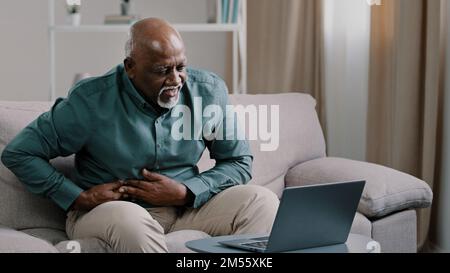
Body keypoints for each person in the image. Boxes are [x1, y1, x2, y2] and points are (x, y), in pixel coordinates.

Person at [1, 18, 279, 253]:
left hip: (186, 209)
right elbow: (19, 152)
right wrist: (78, 197)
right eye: (162, 71)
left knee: (261, 202)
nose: (175, 80)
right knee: (130, 219)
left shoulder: (207, 91)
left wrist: (186, 191)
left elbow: (239, 162)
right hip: (112, 211)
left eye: (180, 67)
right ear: (130, 67)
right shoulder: (90, 101)